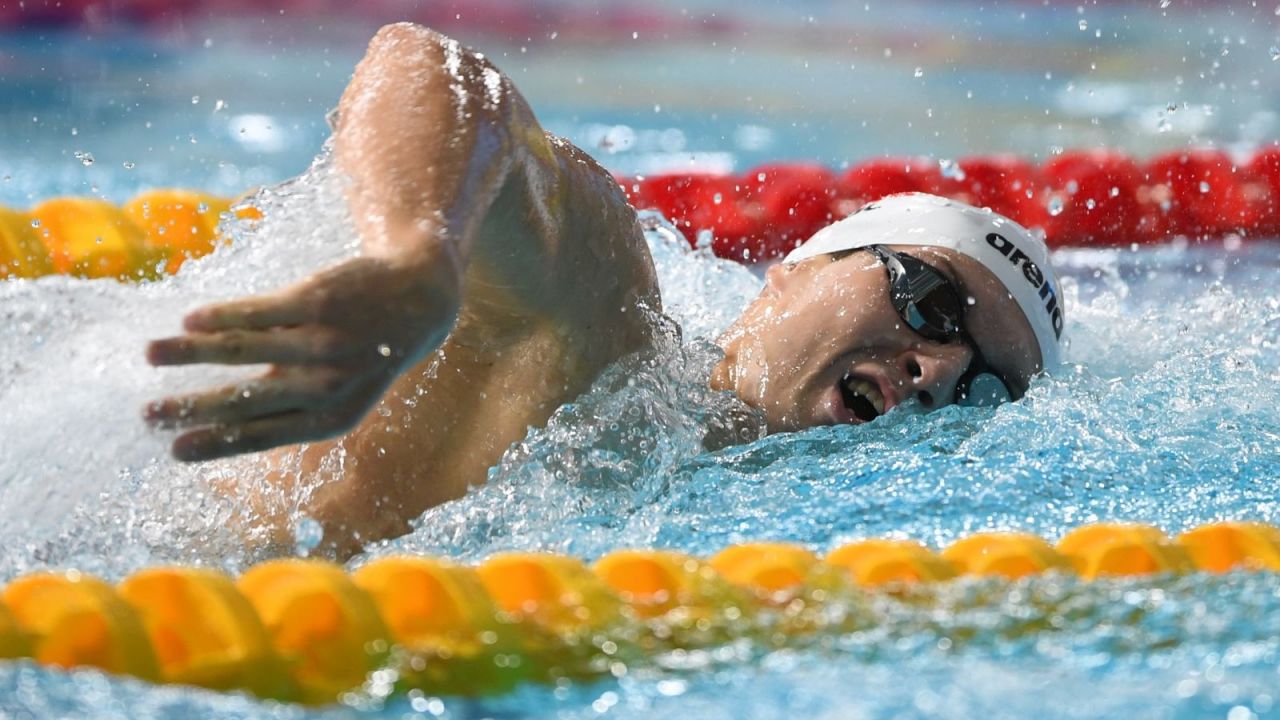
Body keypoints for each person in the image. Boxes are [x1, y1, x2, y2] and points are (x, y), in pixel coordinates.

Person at [144, 23, 1064, 557]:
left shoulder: (744, 542)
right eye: (933, 300)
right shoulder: (602, 317)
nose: (942, 371)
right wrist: (415, 260)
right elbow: (432, 69)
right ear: (796, 269)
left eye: (984, 388)